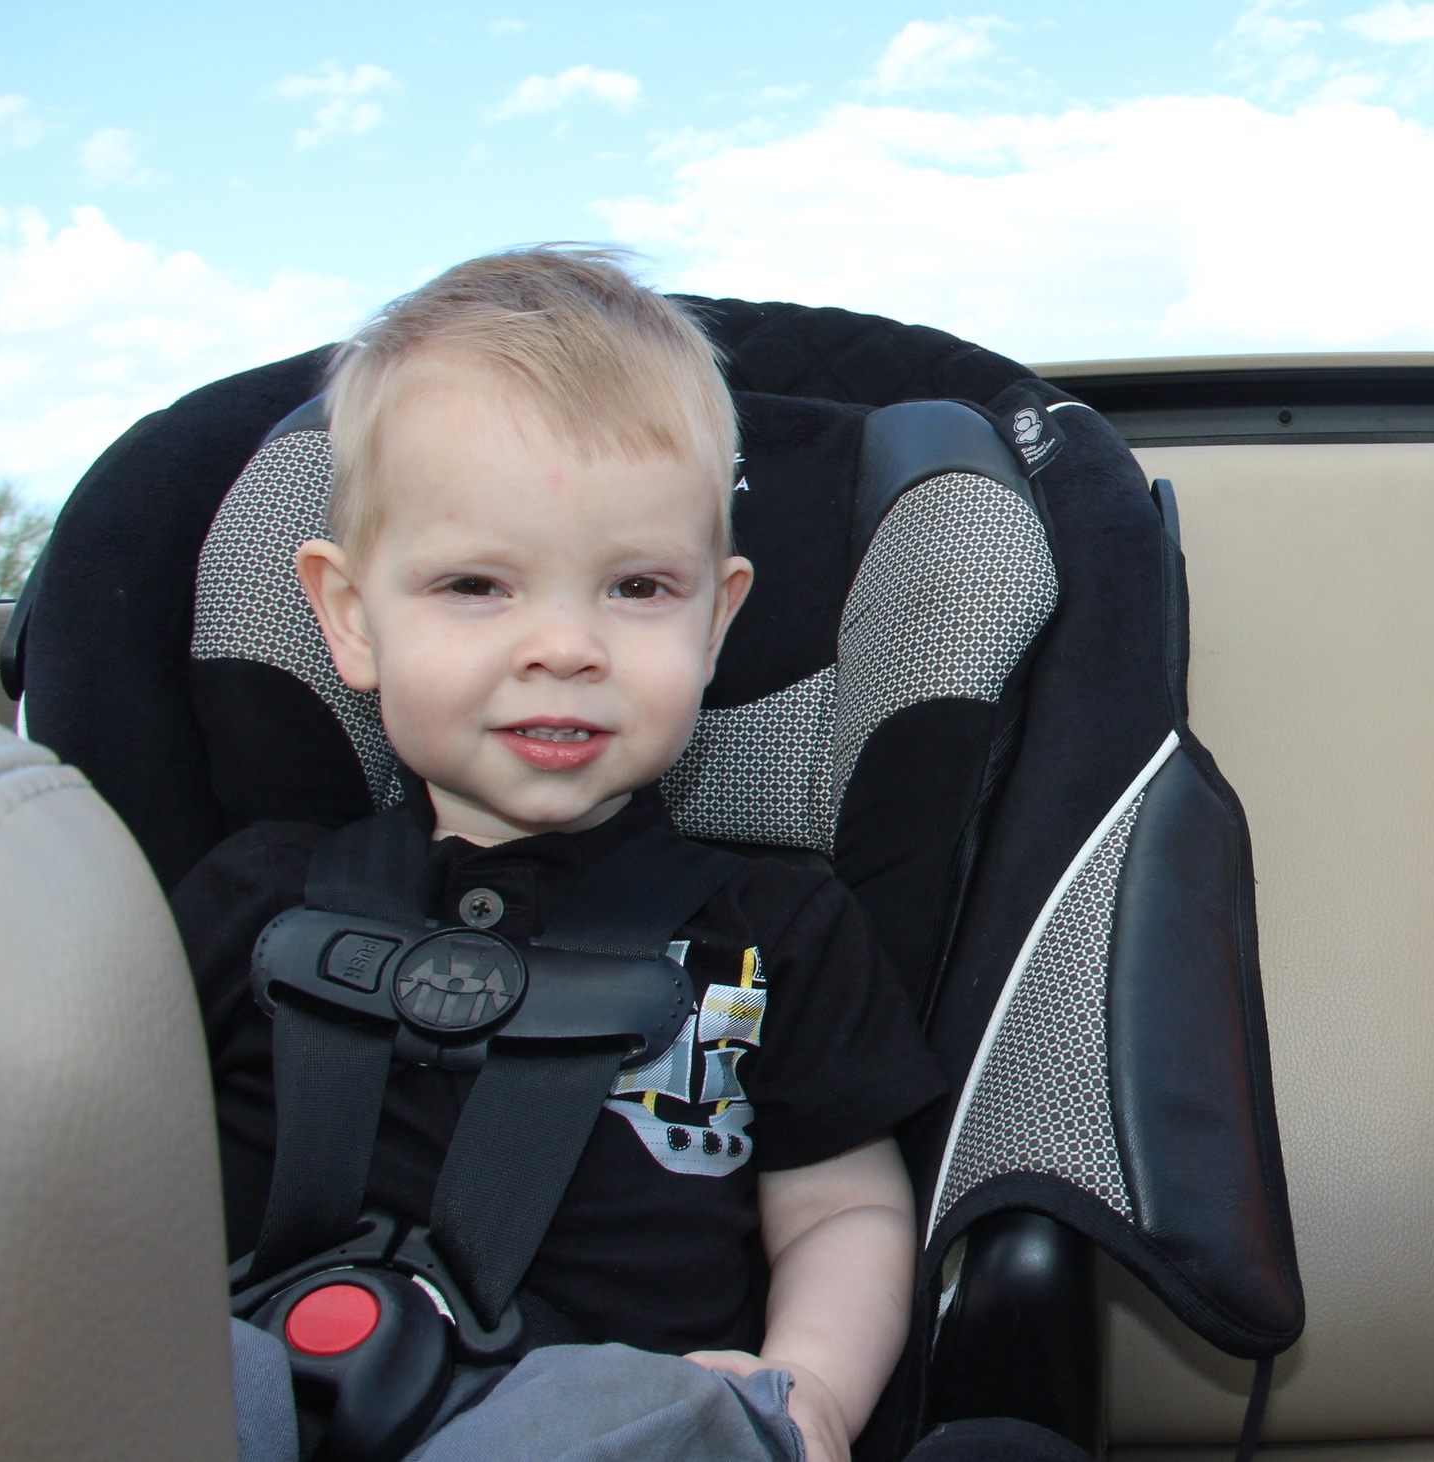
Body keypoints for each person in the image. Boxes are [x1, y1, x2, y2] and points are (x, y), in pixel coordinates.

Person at [177, 245, 950, 1461]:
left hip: (610, 1418)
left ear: (716, 619)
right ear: (351, 616)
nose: (564, 645)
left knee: (647, 1418)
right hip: (259, 1391)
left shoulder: (778, 927)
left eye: (637, 587)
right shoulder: (254, 899)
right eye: (478, 585)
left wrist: (811, 1393)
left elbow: (842, 1207)